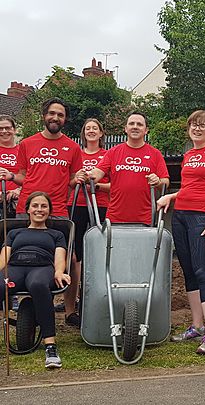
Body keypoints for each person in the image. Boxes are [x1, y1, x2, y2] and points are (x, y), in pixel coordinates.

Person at [157, 110, 205, 355]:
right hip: (180, 216)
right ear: (188, 129)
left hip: (202, 217)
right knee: (188, 270)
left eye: (203, 125)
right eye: (193, 125)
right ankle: (197, 326)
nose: (198, 129)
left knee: (202, 269)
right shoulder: (188, 154)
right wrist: (171, 195)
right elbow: (189, 187)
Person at [0, 192, 71, 368]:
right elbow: (4, 258)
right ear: (28, 210)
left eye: (44, 206)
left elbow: (60, 256)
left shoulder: (56, 234)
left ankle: (50, 347)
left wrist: (59, 272)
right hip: (16, 268)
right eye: (35, 206)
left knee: (38, 285)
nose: (39, 209)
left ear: (49, 210)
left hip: (42, 269)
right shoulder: (15, 232)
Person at [62, 118, 110, 327]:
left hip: (101, 207)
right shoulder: (75, 153)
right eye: (88, 128)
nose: (91, 131)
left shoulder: (107, 155)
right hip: (76, 207)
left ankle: (93, 304)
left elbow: (115, 184)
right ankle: (70, 310)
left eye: (95, 128)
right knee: (74, 258)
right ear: (84, 133)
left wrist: (97, 185)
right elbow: (68, 182)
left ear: (101, 133)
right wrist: (77, 180)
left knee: (98, 258)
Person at [0, 98, 84, 219]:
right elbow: (23, 176)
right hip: (27, 209)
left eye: (60, 115)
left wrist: (78, 179)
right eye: (51, 113)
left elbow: (72, 182)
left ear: (65, 119)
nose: (55, 118)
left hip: (57, 211)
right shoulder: (27, 143)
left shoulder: (73, 147)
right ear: (44, 115)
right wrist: (11, 176)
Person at [89, 112, 169, 224]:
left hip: (145, 219)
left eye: (139, 124)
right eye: (131, 124)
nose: (135, 127)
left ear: (146, 130)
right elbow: (97, 173)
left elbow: (165, 183)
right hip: (115, 218)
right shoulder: (113, 152)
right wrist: (88, 175)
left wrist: (158, 182)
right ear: (126, 129)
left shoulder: (155, 154)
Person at [0, 115, 20, 218]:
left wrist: (18, 190)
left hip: (16, 202)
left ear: (14, 130)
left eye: (7, 128)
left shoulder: (23, 151)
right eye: (0, 128)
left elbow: (31, 175)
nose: (4, 131)